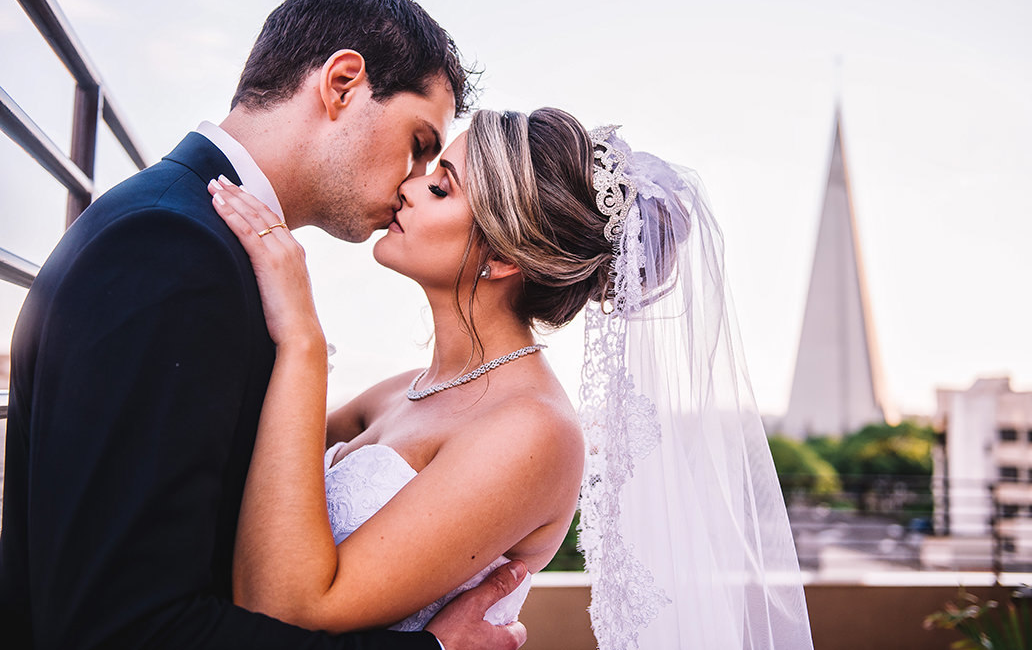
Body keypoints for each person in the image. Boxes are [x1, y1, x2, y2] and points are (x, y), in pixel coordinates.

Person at [0, 0, 526, 650]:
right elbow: (123, 625)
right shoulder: (173, 251)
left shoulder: (186, 231)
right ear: (342, 84)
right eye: (419, 143)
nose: (411, 182)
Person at [207, 109, 816, 648]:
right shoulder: (401, 391)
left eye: (440, 187)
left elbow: (289, 610)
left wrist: (303, 342)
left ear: (501, 258)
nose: (407, 186)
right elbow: (239, 475)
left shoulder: (533, 432)